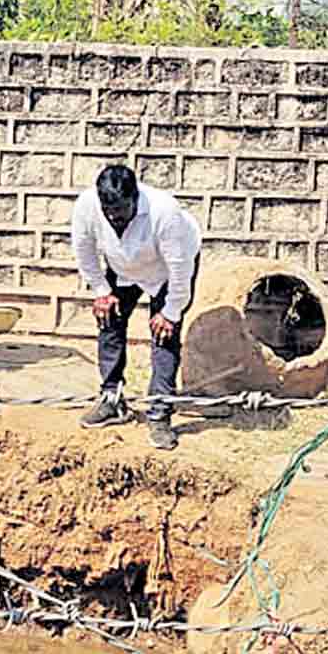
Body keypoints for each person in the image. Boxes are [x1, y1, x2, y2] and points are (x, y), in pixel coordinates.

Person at [71, 164, 201, 449]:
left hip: (168, 269)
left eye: (121, 210)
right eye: (109, 211)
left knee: (165, 336)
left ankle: (159, 415)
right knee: (109, 321)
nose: (114, 217)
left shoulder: (164, 212)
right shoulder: (87, 206)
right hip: (123, 268)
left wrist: (170, 312)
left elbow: (180, 269)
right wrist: (102, 291)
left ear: (135, 198)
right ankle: (112, 400)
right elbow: (84, 252)